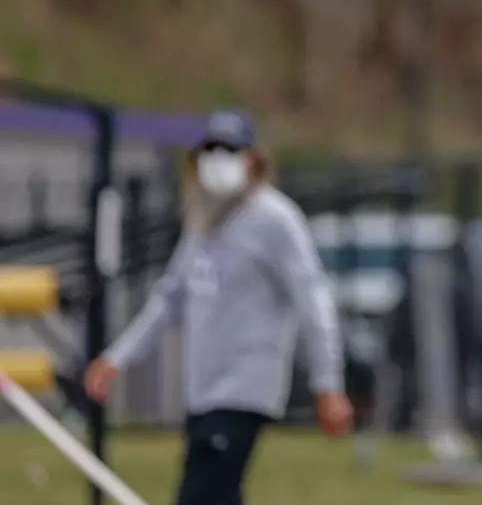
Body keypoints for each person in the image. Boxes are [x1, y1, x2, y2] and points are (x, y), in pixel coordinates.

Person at [84, 109, 353, 505]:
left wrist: (327, 384)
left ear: (252, 159)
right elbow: (170, 297)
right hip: (203, 393)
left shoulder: (274, 219)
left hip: (243, 390)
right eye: (211, 150)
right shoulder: (204, 222)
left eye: (229, 150)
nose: (218, 159)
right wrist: (117, 358)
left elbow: (312, 299)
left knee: (202, 494)